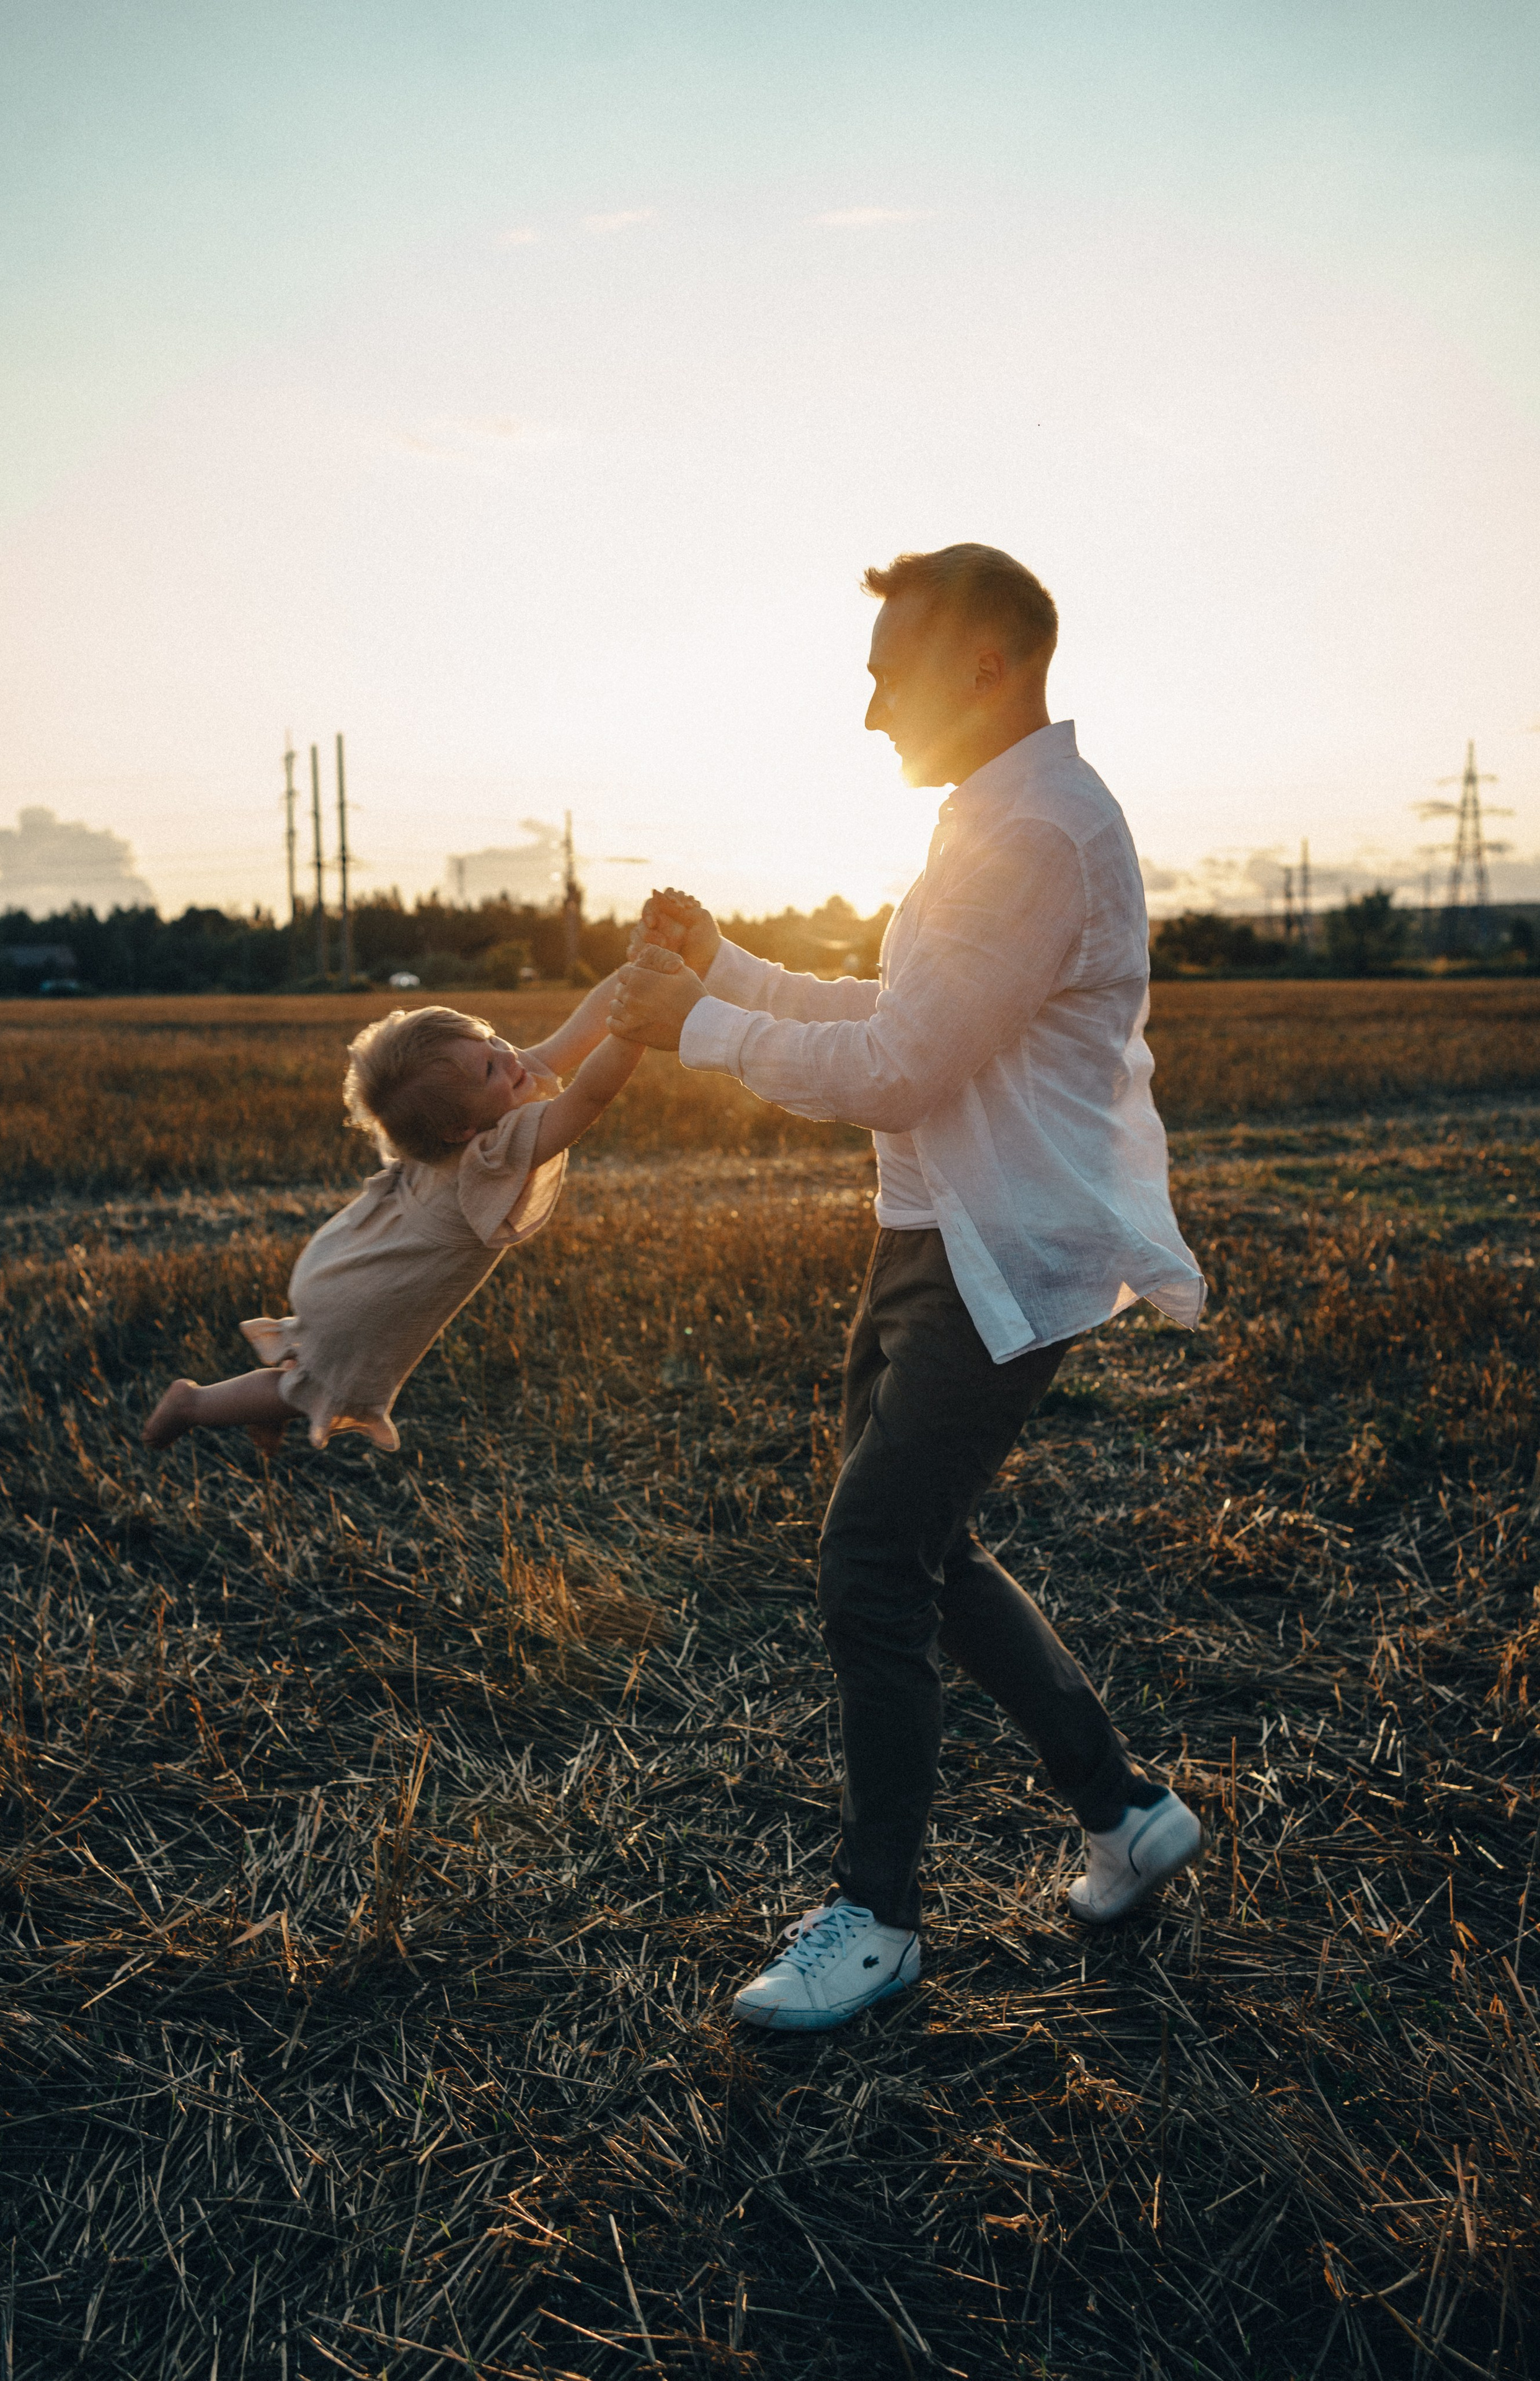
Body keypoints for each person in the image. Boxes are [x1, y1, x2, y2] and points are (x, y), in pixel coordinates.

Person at [611, 543, 1206, 2033]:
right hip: (932, 1234)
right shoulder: (991, 821)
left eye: (889, 671)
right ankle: (1118, 1807)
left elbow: (895, 1067)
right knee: (920, 1554)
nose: (869, 707)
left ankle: (875, 1917)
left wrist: (697, 1028)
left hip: (994, 1250)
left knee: (872, 1560)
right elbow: (898, 1015)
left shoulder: (1037, 834)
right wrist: (731, 970)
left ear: (988, 667)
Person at [142, 957, 677, 1456]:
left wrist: (640, 970)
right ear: (460, 1128)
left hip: (346, 1263)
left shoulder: (481, 1102)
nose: (510, 1057)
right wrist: (634, 1031)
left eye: (493, 1041)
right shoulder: (491, 1155)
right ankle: (193, 1405)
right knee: (311, 1385)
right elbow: (588, 1097)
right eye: (490, 1066)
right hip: (365, 1301)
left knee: (306, 1366)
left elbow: (574, 1033)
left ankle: (258, 1411)